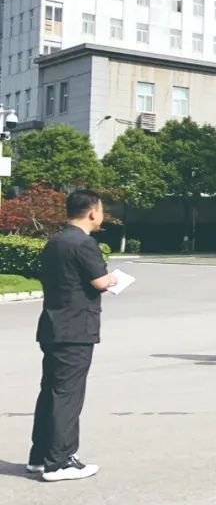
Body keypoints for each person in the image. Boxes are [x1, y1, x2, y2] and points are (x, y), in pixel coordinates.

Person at [28, 190, 118, 481]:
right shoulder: (84, 243)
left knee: (52, 393)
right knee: (68, 396)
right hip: (76, 328)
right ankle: (60, 461)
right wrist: (114, 278)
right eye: (101, 209)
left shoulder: (54, 241)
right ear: (93, 212)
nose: (101, 214)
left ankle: (40, 457)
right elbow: (101, 282)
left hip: (53, 326)